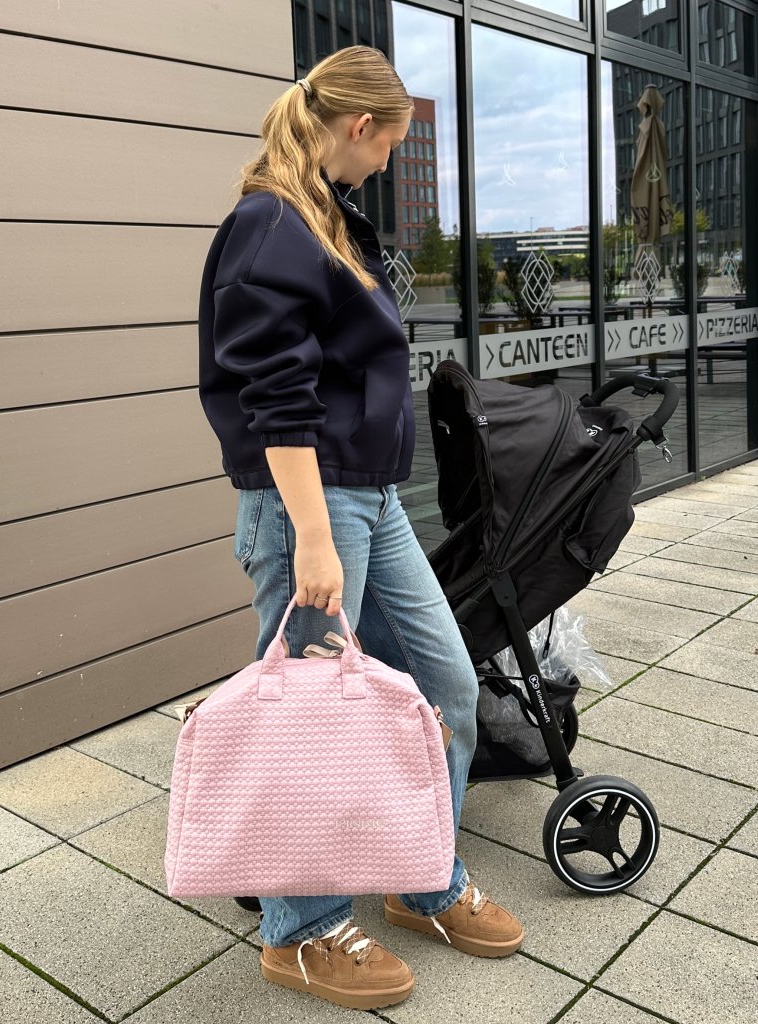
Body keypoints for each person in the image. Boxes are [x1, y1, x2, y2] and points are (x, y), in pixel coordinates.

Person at [197, 44, 524, 1011]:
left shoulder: (329, 218)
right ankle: (299, 931)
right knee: (308, 721)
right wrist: (310, 534)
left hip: (369, 498)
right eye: (392, 145)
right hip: (311, 503)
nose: (389, 162)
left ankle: (420, 879)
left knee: (443, 686)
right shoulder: (271, 224)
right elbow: (272, 391)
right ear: (361, 126)